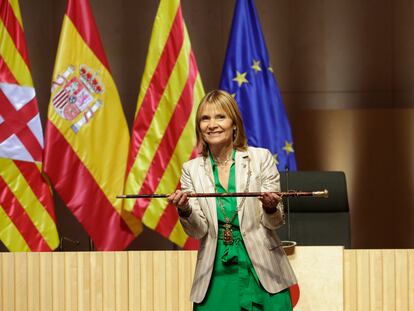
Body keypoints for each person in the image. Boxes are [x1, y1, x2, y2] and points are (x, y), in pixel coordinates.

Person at [168, 90, 297, 310]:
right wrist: (185, 209)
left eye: (220, 117)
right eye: (205, 119)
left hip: (263, 270)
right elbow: (198, 231)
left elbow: (273, 222)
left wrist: (269, 206)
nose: (212, 124)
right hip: (216, 272)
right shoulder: (191, 170)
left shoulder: (261, 158)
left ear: (234, 123)